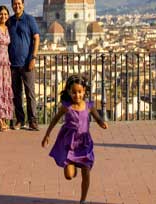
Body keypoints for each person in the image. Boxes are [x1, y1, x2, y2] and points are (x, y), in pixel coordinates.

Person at [41, 75, 108, 204]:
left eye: (79, 92)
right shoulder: (67, 106)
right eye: (74, 92)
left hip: (84, 143)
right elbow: (55, 119)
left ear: (84, 91)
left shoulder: (89, 106)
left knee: (86, 172)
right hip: (70, 143)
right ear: (69, 92)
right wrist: (47, 135)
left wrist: (102, 123)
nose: (77, 95)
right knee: (69, 176)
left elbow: (98, 118)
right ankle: (73, 165)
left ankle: (82, 200)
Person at [7, 0, 40, 131]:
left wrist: (33, 57)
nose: (17, 6)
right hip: (13, 64)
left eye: (19, 4)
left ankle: (33, 121)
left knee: (30, 93)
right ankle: (20, 120)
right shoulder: (9, 21)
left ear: (23, 5)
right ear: (12, 6)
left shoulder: (30, 19)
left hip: (27, 63)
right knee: (16, 94)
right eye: (14, 4)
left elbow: (36, 38)